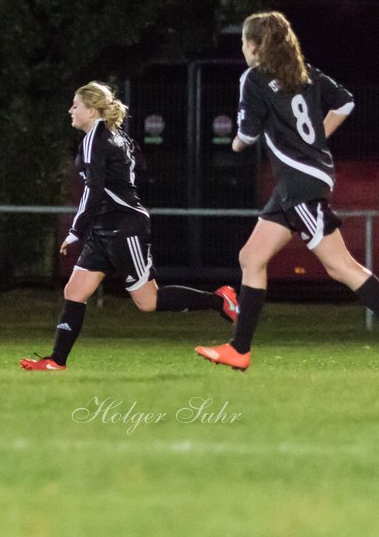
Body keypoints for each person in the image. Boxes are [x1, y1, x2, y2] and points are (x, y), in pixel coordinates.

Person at [195, 11, 379, 373]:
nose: (243, 48)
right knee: (251, 257)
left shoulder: (254, 78)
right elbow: (346, 101)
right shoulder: (303, 73)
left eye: (244, 41)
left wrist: (237, 145)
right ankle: (239, 349)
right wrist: (317, 138)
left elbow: (248, 135)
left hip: (300, 183)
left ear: (256, 46)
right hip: (303, 179)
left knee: (340, 267)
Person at [21, 82, 238, 372]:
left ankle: (218, 300)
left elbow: (94, 190)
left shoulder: (96, 140)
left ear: (93, 110)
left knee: (148, 301)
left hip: (124, 228)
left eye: (76, 105)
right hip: (105, 227)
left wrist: (76, 230)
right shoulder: (113, 136)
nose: (70, 110)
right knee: (74, 291)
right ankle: (56, 361)